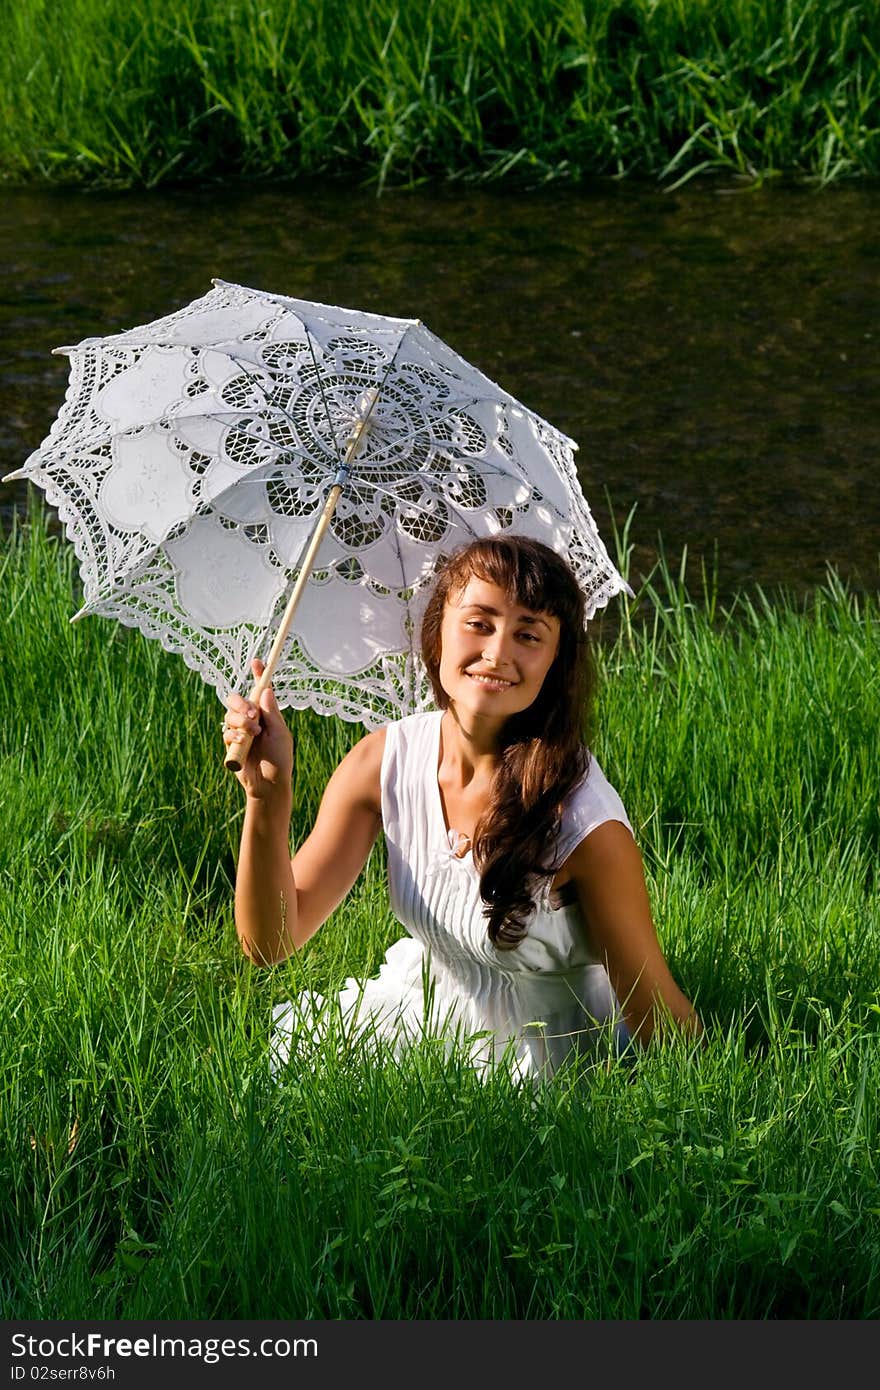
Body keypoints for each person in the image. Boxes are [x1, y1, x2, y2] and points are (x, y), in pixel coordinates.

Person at [223, 535, 701, 1081]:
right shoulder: (383, 761)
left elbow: (656, 1017)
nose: (498, 654)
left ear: (556, 661)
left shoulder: (584, 825)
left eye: (528, 634)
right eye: (479, 622)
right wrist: (267, 799)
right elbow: (268, 943)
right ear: (437, 632)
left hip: (546, 1059)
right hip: (418, 1020)